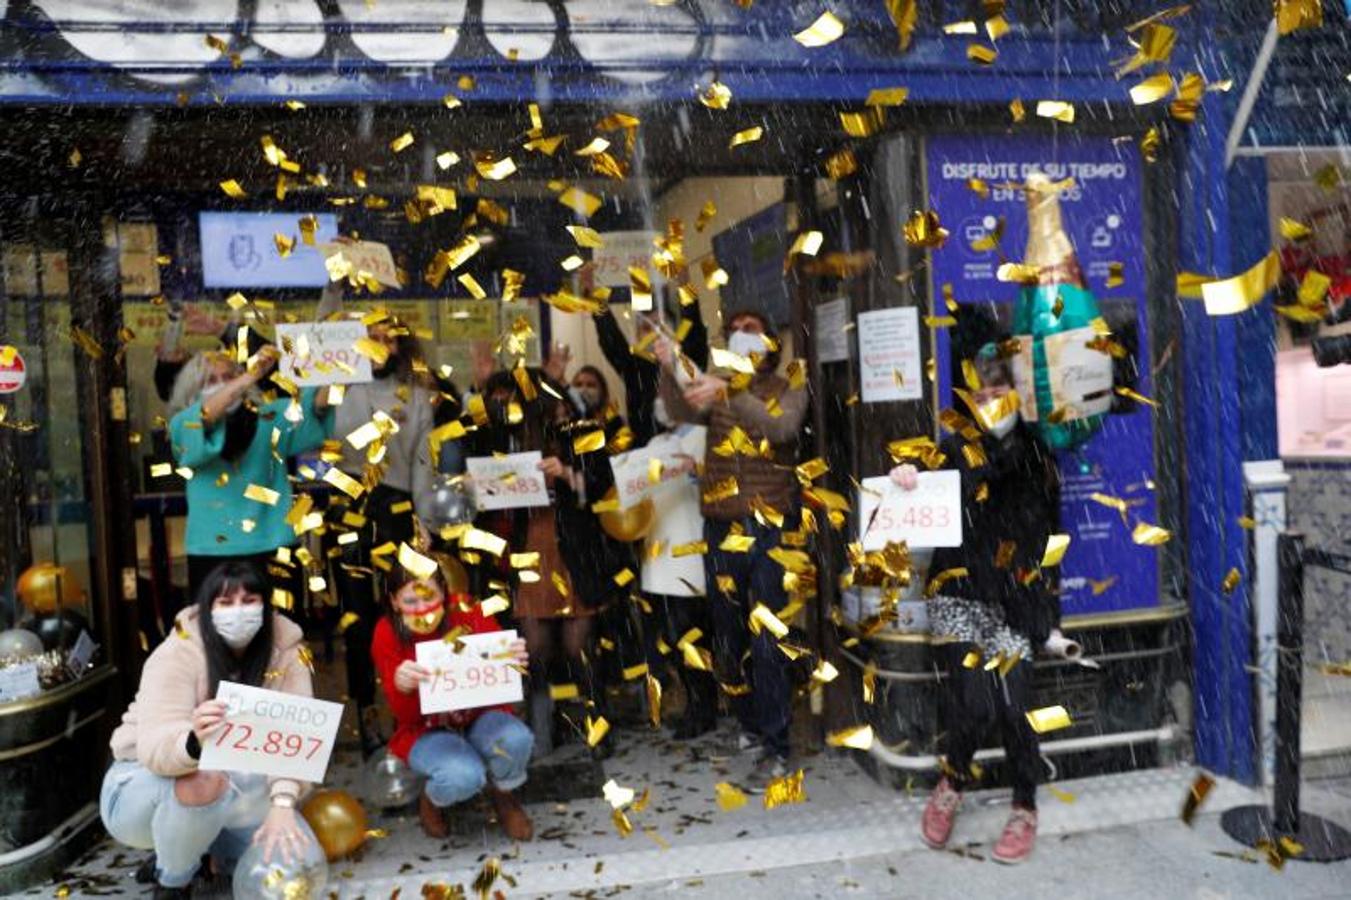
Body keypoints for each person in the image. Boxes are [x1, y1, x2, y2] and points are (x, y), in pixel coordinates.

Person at [889, 341, 1064, 865]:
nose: (990, 400)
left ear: (1018, 393)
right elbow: (918, 480)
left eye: (999, 390)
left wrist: (1050, 618)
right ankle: (953, 782)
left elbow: (1053, 538)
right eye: (981, 392)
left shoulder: (1038, 453)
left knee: (1015, 708)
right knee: (974, 703)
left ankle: (1024, 806)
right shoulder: (954, 448)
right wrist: (906, 478)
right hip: (960, 595)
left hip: (1016, 600)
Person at [655, 309, 808, 791]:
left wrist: (730, 392)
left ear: (771, 341)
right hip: (721, 527)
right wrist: (667, 366)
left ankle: (777, 746)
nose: (743, 335)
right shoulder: (714, 385)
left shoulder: (790, 384)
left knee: (768, 637)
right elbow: (679, 413)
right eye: (735, 329)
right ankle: (749, 724)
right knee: (728, 636)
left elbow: (781, 430)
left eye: (752, 329)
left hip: (770, 528)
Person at [100, 560, 315, 898]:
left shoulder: (289, 653)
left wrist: (283, 803)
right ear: (207, 608)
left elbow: (296, 740)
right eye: (226, 603)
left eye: (249, 601)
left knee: (299, 866)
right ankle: (174, 880)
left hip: (244, 787)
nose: (238, 611)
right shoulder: (176, 653)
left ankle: (207, 850)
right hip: (146, 783)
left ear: (266, 606)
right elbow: (155, 749)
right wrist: (194, 741)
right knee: (204, 780)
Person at [325, 311, 440, 756]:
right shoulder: (339, 387)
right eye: (371, 337)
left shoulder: (418, 397)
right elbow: (318, 335)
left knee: (406, 612)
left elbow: (424, 464)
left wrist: (425, 523)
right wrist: (334, 290)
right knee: (356, 616)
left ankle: (408, 709)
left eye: (388, 339)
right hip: (349, 502)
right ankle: (366, 711)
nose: (380, 346)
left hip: (398, 508)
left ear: (401, 347)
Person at [370, 561, 534, 841]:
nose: (422, 609)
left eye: (429, 598)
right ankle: (432, 799)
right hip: (424, 728)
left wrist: (513, 660)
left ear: (444, 594)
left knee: (516, 740)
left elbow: (499, 676)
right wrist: (401, 687)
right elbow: (405, 718)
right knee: (463, 777)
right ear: (394, 602)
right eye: (410, 601)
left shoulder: (468, 610)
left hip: (481, 715)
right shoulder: (386, 633)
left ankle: (503, 794)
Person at [167, 347, 332, 599]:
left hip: (274, 543)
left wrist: (345, 371)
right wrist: (248, 376)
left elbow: (317, 406)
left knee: (280, 624)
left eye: (228, 377)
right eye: (210, 380)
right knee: (216, 623)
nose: (223, 385)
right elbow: (204, 416)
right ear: (191, 391)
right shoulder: (181, 424)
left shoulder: (271, 417)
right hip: (211, 550)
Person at [635, 397, 715, 739]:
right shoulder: (655, 443)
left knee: (693, 636)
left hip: (689, 551)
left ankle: (703, 707)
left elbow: (719, 485)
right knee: (669, 637)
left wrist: (697, 471)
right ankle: (688, 702)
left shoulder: (705, 436)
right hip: (657, 553)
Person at [590, 301, 707, 446]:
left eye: (661, 327)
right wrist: (597, 300)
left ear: (675, 332)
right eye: (647, 328)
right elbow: (611, 339)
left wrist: (687, 290)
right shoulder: (634, 369)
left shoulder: (689, 361)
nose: (655, 334)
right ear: (638, 336)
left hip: (691, 449)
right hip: (647, 453)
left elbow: (694, 326)